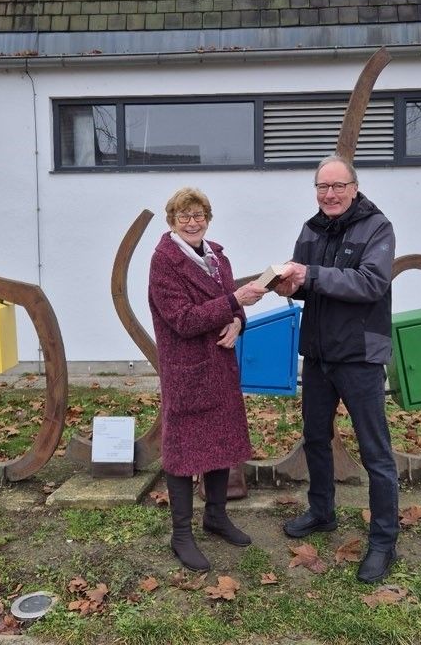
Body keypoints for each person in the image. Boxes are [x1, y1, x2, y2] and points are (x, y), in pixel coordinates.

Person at [274, 155, 399, 584]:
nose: (330, 194)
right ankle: (322, 511)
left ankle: (384, 541)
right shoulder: (311, 228)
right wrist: (290, 284)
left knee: (375, 452)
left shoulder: (377, 228)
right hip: (320, 353)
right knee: (314, 437)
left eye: (338, 186)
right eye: (322, 187)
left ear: (354, 187)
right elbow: (310, 283)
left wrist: (310, 275)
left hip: (361, 355)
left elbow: (370, 284)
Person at [148, 186, 268, 572]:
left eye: (199, 215)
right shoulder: (164, 262)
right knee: (183, 452)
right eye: (184, 216)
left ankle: (215, 516)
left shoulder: (217, 255)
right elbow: (182, 320)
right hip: (187, 368)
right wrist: (235, 304)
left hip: (219, 363)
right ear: (172, 221)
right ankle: (180, 533)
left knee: (220, 442)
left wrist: (238, 321)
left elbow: (228, 309)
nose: (193, 222)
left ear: (208, 219)